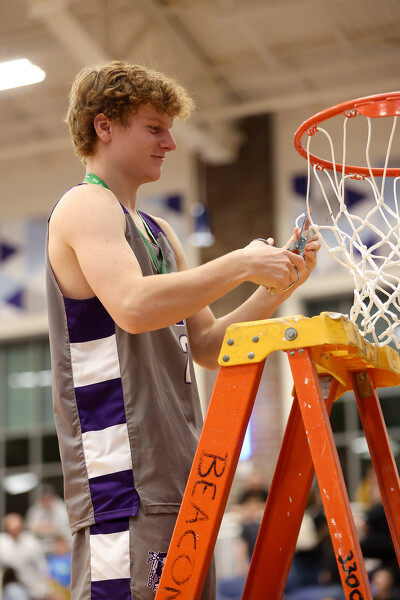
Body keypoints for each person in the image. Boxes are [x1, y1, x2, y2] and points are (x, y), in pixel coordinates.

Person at [46, 60, 320, 600]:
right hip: (122, 481)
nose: (170, 143)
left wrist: (277, 287)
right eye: (155, 128)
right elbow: (132, 307)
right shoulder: (84, 205)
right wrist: (240, 263)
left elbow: (210, 346)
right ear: (104, 126)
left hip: (181, 472)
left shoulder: (159, 231)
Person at [0, 513, 49, 599]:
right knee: (14, 591)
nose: (15, 531)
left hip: (32, 587)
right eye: (11, 529)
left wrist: (44, 589)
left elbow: (42, 567)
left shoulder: (31, 542)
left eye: (17, 528)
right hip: (8, 588)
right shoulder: (2, 542)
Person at [26, 484, 70, 554]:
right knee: (28, 541)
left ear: (53, 497)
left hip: (58, 542)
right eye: (43, 498)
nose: (46, 501)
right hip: (41, 542)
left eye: (48, 498)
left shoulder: (61, 507)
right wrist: (50, 528)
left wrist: (44, 528)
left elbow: (62, 529)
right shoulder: (35, 508)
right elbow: (31, 528)